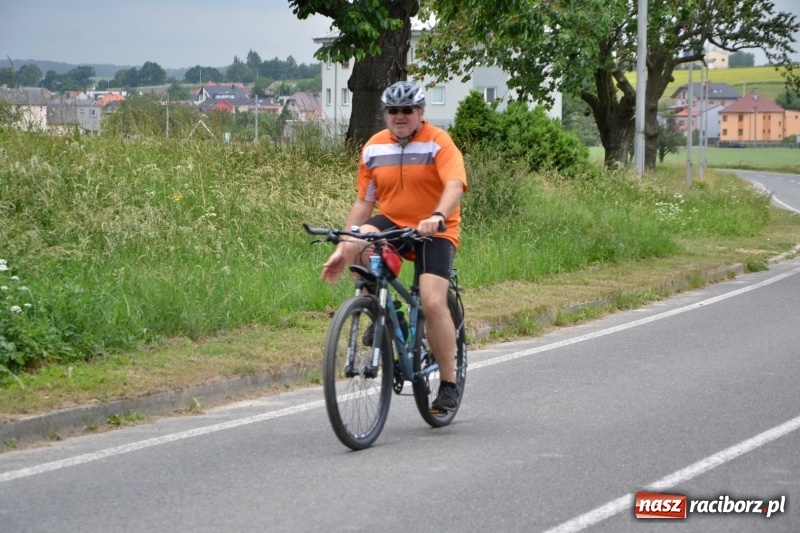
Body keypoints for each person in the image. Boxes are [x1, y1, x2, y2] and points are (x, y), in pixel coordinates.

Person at [320, 80, 468, 413]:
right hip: (395, 222)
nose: (399, 116)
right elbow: (363, 203)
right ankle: (386, 316)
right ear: (385, 113)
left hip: (435, 228)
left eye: (407, 110)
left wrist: (438, 215)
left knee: (431, 301)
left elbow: (455, 185)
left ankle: (447, 383)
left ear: (420, 112)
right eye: (393, 111)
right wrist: (343, 248)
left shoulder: (439, 143)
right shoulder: (373, 147)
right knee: (359, 243)